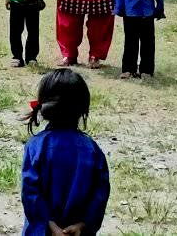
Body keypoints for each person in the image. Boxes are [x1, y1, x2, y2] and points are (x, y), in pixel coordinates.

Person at [20, 68, 110, 236]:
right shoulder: (92, 150)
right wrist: (82, 224)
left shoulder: (36, 146)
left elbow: (30, 192)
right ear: (83, 109)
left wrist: (49, 225)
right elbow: (100, 194)